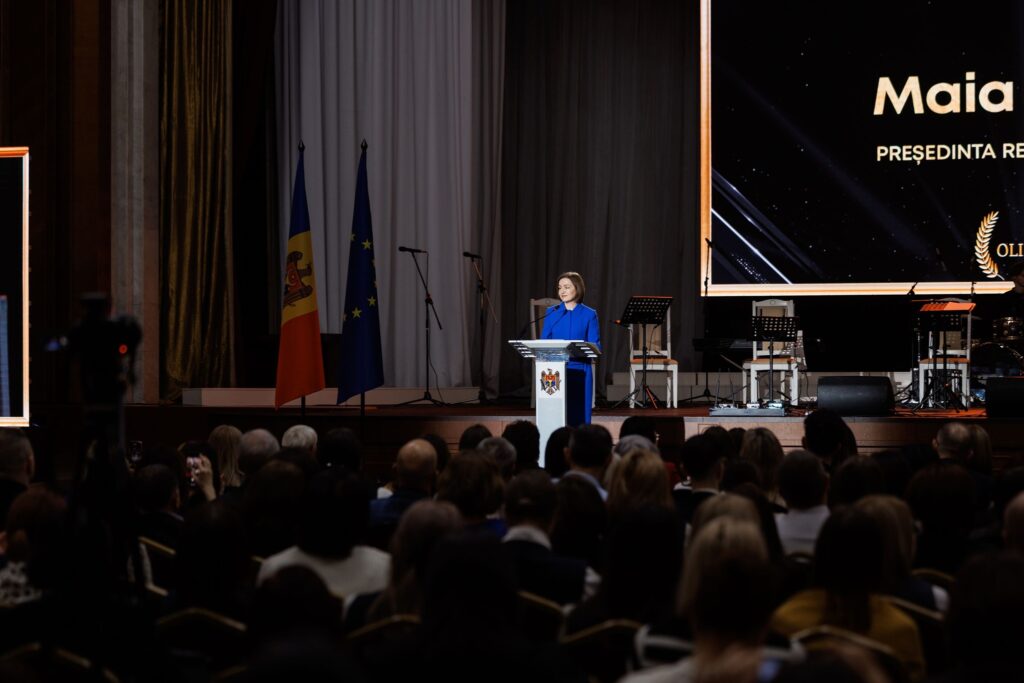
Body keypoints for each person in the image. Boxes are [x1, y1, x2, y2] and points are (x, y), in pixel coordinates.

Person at [540, 271, 601, 426]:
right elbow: (544, 342)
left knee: (579, 416)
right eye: (560, 287)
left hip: (580, 368)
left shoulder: (589, 314)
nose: (562, 291)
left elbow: (596, 345)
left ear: (577, 288)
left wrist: (583, 349)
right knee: (554, 416)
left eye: (567, 287)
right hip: (553, 371)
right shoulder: (551, 312)